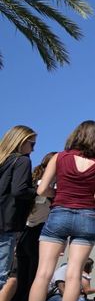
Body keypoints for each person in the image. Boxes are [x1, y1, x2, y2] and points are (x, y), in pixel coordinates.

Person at [28, 121, 95, 301]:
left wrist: (58, 194)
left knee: (43, 273)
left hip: (59, 213)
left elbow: (42, 189)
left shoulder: (60, 157)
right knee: (74, 274)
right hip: (87, 218)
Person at [10, 152, 55, 301]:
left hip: (24, 232)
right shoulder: (48, 187)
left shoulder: (33, 182)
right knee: (34, 281)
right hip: (38, 232)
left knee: (22, 282)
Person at [0, 125, 38, 291]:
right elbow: (19, 190)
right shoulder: (22, 161)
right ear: (22, 142)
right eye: (32, 144)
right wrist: (38, 191)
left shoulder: (3, 160)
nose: (33, 149)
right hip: (6, 224)